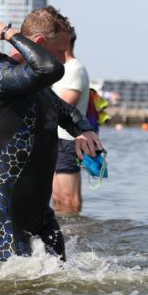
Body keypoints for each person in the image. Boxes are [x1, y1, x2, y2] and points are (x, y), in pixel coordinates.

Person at [0, 7, 103, 266]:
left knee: (62, 284)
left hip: (41, 216)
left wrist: (84, 131)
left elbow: (68, 111)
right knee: (15, 289)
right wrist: (8, 33)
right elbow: (50, 69)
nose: (65, 59)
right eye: (60, 51)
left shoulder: (36, 88)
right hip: (4, 215)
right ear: (38, 44)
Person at [50, 25, 92, 214]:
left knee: (69, 198)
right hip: (55, 138)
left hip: (69, 140)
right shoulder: (61, 68)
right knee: (57, 198)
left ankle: (75, 238)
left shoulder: (75, 69)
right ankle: (60, 236)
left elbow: (65, 106)